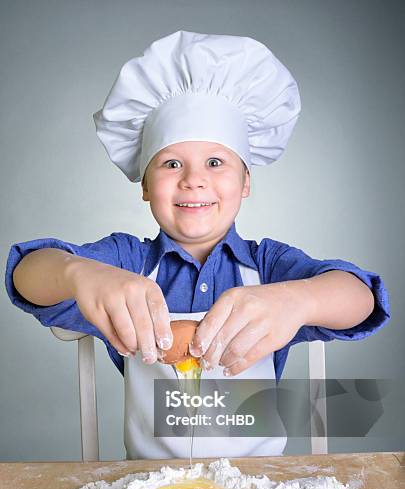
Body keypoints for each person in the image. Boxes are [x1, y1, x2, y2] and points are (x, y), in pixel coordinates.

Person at [5, 31, 390, 459]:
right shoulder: (127, 263)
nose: (194, 179)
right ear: (145, 185)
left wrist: (296, 301)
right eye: (171, 164)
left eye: (215, 162)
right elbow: (26, 275)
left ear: (245, 182)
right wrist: (78, 274)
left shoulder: (269, 266)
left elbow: (363, 299)